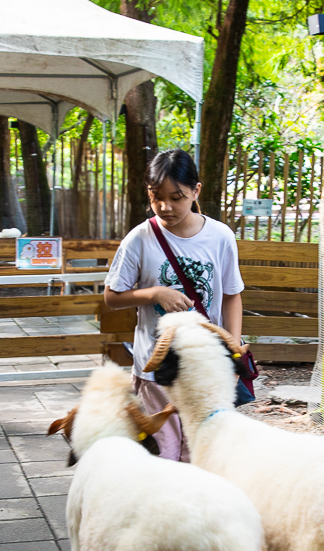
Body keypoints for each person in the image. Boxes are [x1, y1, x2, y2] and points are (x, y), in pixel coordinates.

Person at [104, 148, 245, 461]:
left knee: (201, 452)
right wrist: (154, 294)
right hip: (156, 371)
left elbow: (233, 294)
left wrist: (234, 350)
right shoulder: (139, 239)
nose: (165, 207)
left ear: (195, 191)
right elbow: (112, 297)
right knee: (162, 454)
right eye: (156, 196)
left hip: (205, 368)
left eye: (177, 196)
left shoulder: (220, 236)